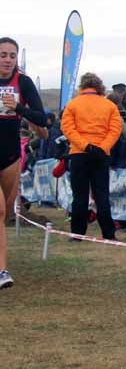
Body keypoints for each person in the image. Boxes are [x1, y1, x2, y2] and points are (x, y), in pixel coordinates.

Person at [0, 38, 46, 288]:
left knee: (4, 215)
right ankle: (2, 271)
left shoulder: (23, 82)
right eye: (3, 55)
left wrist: (18, 107)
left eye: (12, 55)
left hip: (9, 155)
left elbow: (42, 118)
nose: (7, 60)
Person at [60, 72, 123, 240]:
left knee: (79, 196)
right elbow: (115, 129)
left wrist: (85, 145)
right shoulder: (110, 106)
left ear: (82, 86)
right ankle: (108, 234)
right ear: (99, 87)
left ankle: (77, 233)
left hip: (79, 154)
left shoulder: (72, 105)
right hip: (101, 155)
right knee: (102, 195)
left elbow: (68, 129)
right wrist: (103, 147)